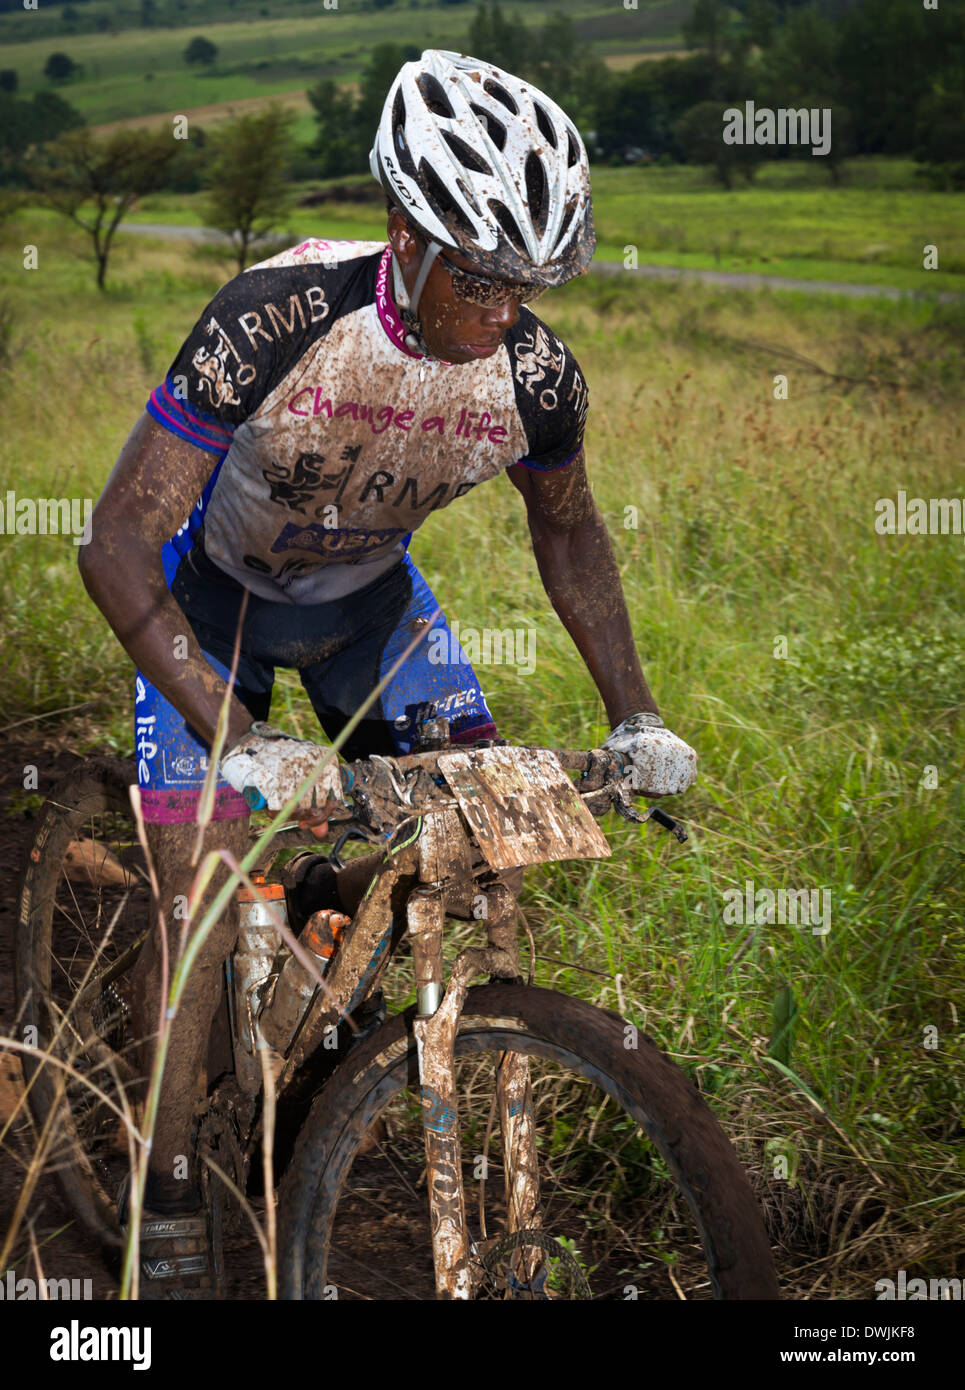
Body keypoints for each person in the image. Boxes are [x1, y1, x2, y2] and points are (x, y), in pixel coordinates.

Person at [78, 49, 697, 1298]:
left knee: (477, 830)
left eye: (529, 286)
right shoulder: (276, 317)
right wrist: (232, 733)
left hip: (373, 617)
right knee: (196, 912)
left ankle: (317, 920)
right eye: (480, 278)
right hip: (214, 614)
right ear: (405, 232)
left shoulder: (532, 378)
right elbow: (114, 544)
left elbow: (567, 530)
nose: (503, 314)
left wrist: (632, 711)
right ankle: (161, 1177)